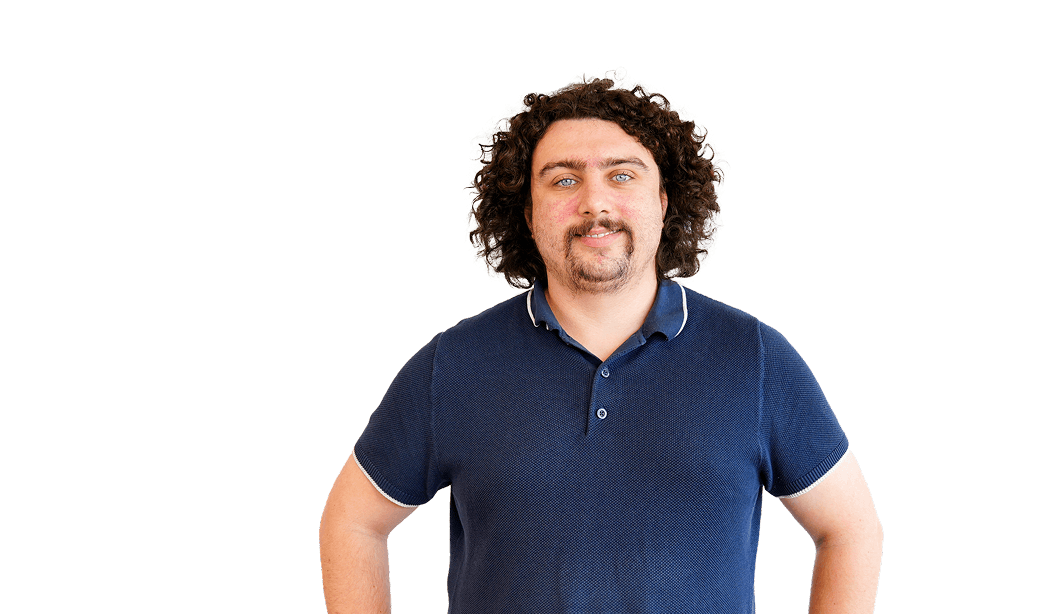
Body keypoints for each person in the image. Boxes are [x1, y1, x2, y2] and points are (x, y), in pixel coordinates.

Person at [319, 71, 883, 613]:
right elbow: (352, 522)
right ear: (527, 213)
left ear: (664, 201)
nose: (595, 203)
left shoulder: (754, 358)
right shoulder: (453, 365)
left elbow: (851, 528)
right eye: (564, 179)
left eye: (622, 175)